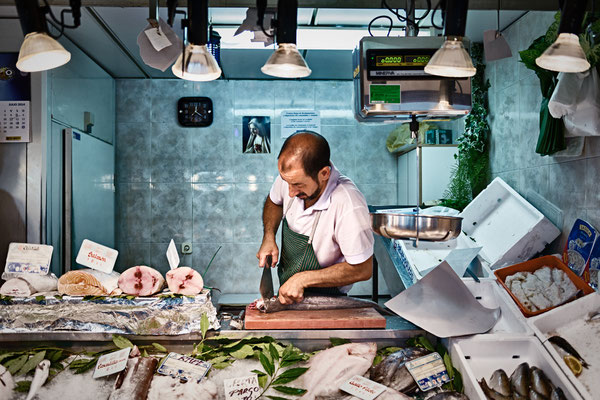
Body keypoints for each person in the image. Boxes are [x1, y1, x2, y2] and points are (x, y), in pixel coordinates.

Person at [256, 131, 374, 305]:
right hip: (289, 300)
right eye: (286, 182)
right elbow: (274, 202)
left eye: (298, 185)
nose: (290, 192)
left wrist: (303, 279)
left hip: (329, 303)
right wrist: (268, 236)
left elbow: (363, 269)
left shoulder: (348, 203)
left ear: (324, 173)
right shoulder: (291, 177)